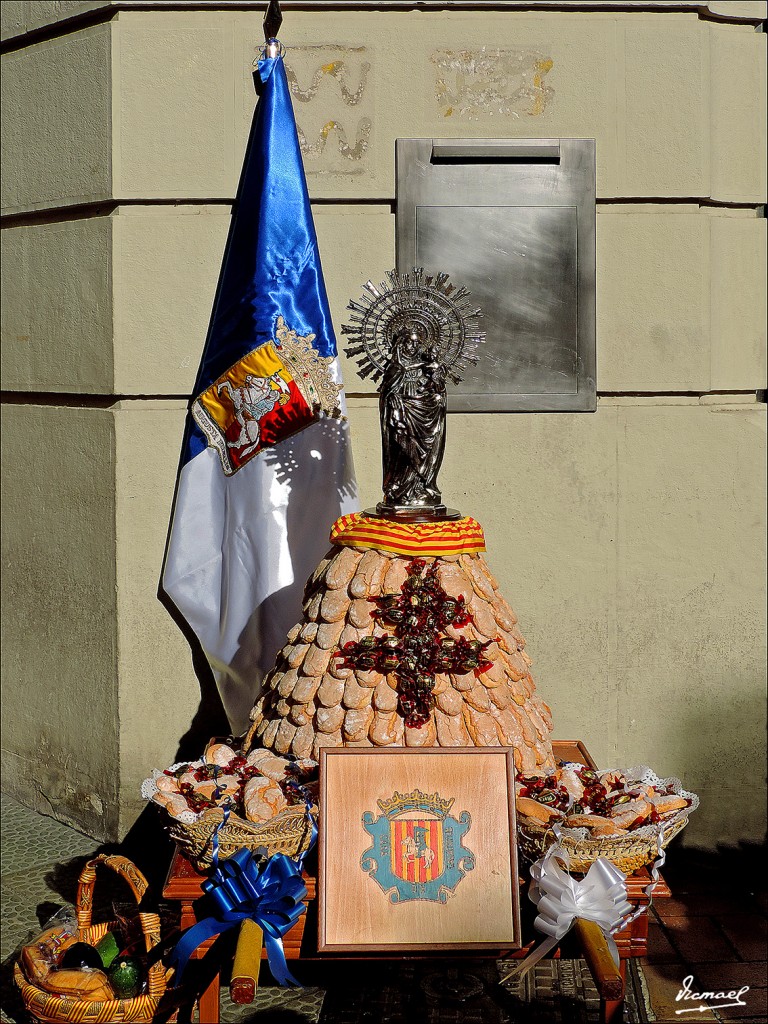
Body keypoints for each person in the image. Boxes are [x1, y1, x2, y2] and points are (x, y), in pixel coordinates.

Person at [379, 326, 448, 511]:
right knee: (403, 452)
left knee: (426, 450)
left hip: (424, 416)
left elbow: (438, 388)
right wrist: (396, 405)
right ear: (401, 344)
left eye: (417, 343)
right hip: (402, 416)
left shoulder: (427, 365)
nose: (413, 346)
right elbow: (388, 394)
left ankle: (422, 487)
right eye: (409, 342)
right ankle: (401, 488)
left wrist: (436, 393)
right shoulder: (395, 367)